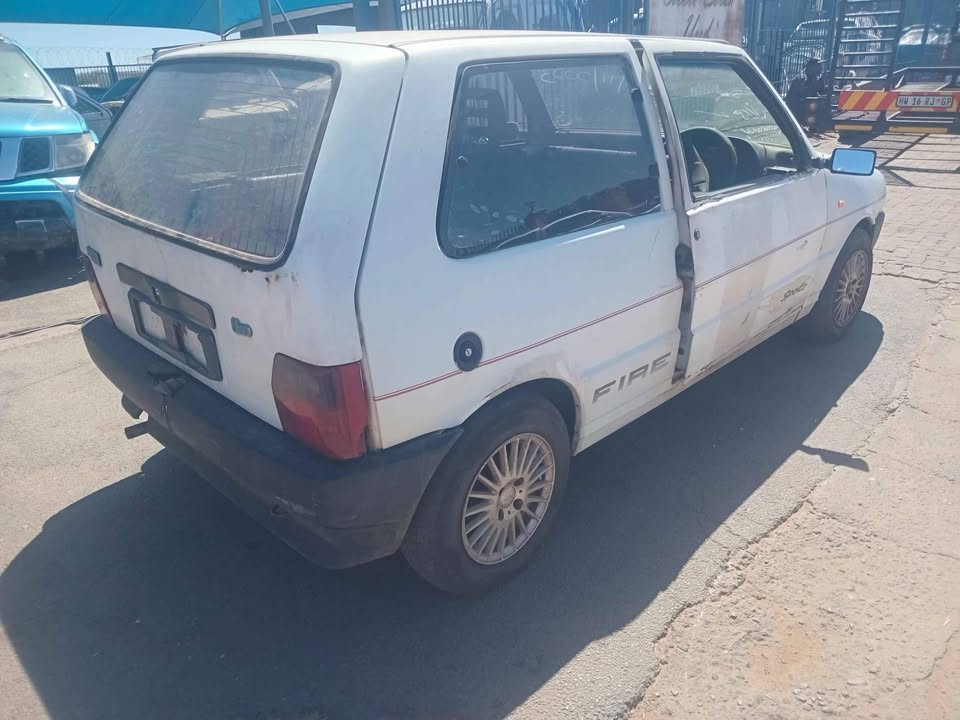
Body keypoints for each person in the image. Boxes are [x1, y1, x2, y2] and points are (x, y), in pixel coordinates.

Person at [787, 57, 828, 132]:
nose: (821, 68)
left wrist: (829, 88)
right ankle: (801, 125)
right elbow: (803, 95)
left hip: (808, 104)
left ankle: (813, 125)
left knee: (820, 103)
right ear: (812, 67)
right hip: (797, 104)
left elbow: (822, 91)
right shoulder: (802, 78)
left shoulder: (817, 78)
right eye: (818, 66)